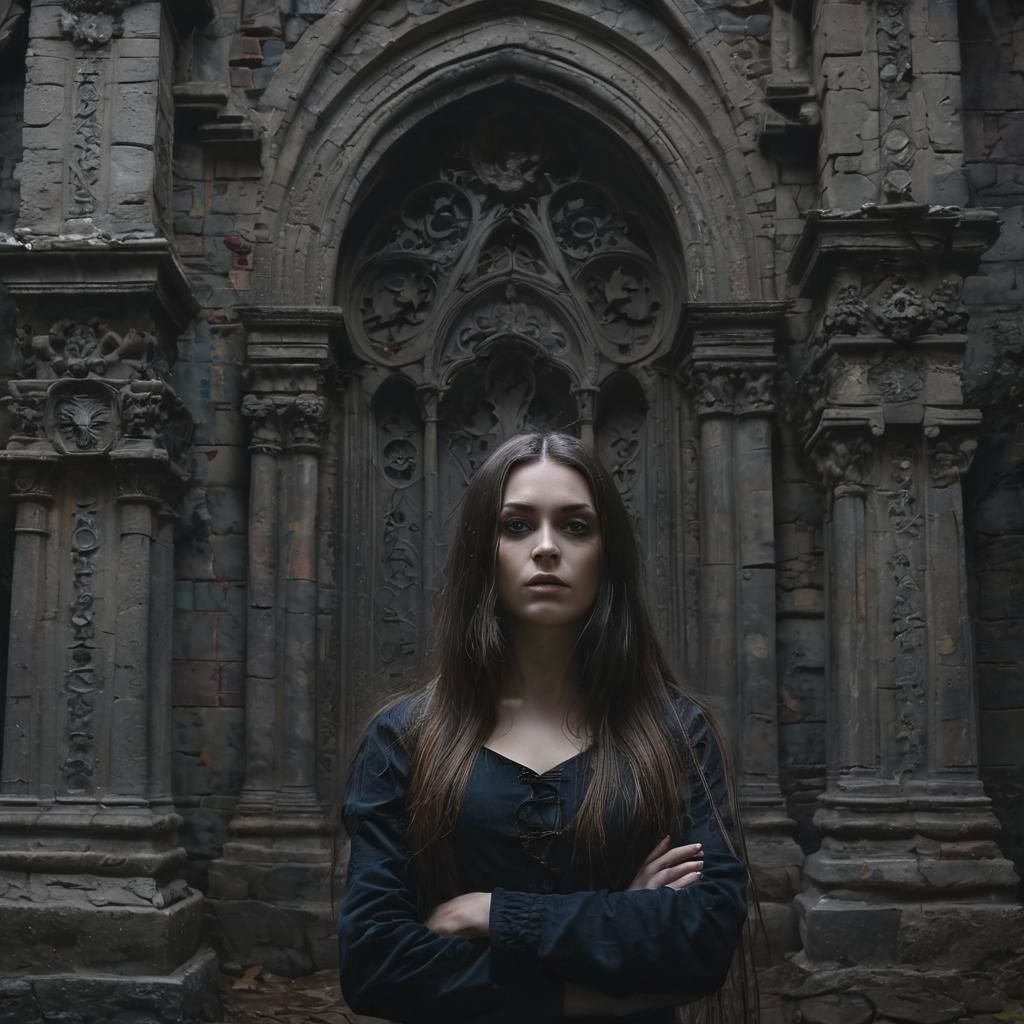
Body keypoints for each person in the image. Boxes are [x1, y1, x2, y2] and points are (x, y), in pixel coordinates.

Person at [337, 432, 750, 1023]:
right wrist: (619, 931)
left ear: (608, 553)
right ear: (485, 547)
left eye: (576, 526)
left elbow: (705, 941)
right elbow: (376, 965)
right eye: (517, 526)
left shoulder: (676, 734)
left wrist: (491, 913)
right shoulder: (404, 738)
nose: (548, 547)